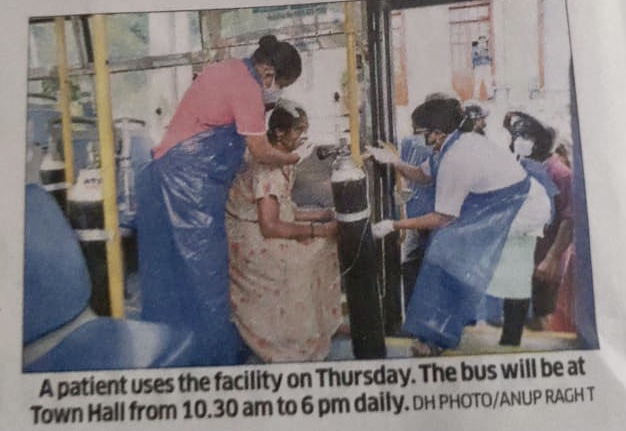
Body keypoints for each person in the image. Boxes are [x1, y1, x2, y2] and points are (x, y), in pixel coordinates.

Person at [136, 35, 311, 366]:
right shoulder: (246, 87)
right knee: (206, 272)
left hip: (185, 177)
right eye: (281, 84)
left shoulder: (227, 70)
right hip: (186, 181)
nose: (277, 93)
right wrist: (291, 159)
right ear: (269, 71)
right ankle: (214, 358)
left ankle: (185, 346)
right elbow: (259, 150)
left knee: (179, 271)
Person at [368, 97, 551, 355]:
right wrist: (394, 162)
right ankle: (448, 323)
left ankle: (436, 337)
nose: (416, 137)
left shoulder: (457, 156)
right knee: (449, 255)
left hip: (519, 206)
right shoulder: (452, 143)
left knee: (446, 257)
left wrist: (394, 224)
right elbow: (423, 175)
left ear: (438, 133)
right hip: (496, 200)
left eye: (420, 133)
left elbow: (443, 217)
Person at [226, 100, 342, 363]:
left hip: (263, 226)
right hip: (249, 236)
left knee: (325, 246)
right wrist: (319, 229)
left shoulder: (284, 160)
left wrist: (324, 215)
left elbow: (286, 210)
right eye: (298, 130)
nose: (304, 136)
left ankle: (322, 326)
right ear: (279, 133)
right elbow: (270, 225)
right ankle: (293, 343)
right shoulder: (268, 169)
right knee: (301, 262)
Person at [503, 111, 574, 332]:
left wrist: (551, 259)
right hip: (523, 260)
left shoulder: (560, 174)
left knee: (541, 323)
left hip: (545, 264)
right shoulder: (525, 167)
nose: (518, 142)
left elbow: (569, 221)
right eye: (516, 136)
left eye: (524, 136)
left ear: (540, 142)